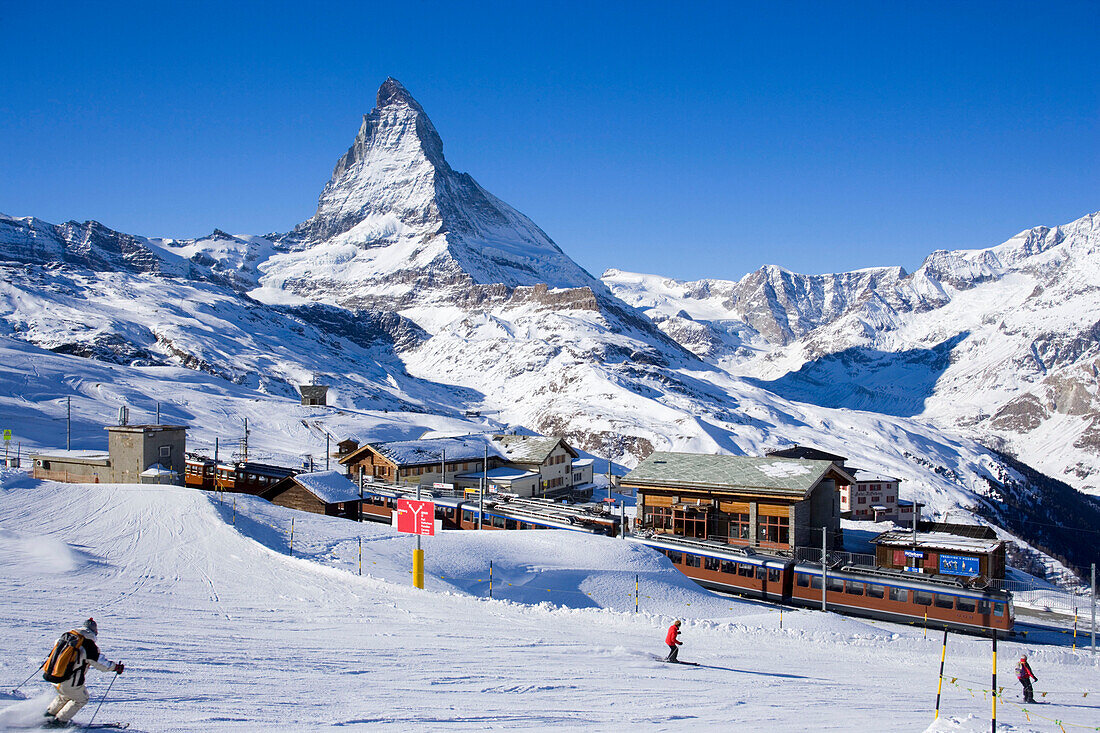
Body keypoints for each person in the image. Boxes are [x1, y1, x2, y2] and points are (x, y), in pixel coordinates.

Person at [43, 618, 124, 727]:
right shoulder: (87, 644)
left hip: (55, 675)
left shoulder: (67, 637)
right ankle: (60, 722)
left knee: (65, 696)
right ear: (95, 632)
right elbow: (100, 663)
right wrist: (115, 667)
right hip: (70, 680)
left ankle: (49, 716)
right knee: (81, 699)